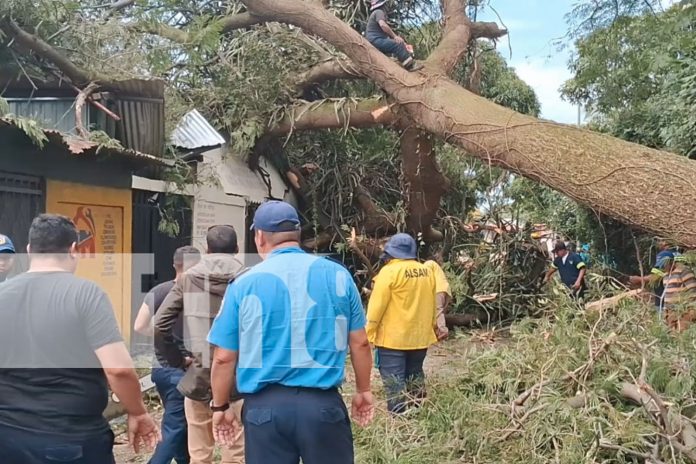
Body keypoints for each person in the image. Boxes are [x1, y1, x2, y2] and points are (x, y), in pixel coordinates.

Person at [207, 200, 374, 464]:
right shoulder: (339, 276)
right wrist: (364, 390)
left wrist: (220, 405)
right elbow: (361, 343)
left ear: (259, 236)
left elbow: (223, 357)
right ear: (297, 235)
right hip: (323, 408)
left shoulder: (243, 284)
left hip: (264, 413)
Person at [0, 214, 159, 463]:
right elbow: (118, 370)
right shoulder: (86, 295)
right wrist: (138, 412)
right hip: (69, 439)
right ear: (74, 249)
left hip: (8, 437)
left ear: (29, 250)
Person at [155, 226, 245, 464]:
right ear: (236, 249)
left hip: (198, 377)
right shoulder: (247, 278)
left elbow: (160, 324)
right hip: (238, 379)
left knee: (199, 456)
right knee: (236, 455)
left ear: (207, 250)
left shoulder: (188, 279)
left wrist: (177, 361)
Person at [135, 246, 201, 464]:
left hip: (161, 369)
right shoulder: (198, 294)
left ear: (175, 264)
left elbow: (139, 326)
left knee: (179, 424)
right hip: (183, 370)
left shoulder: (159, 291)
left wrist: (160, 339)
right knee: (175, 427)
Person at [367, 233, 438, 414]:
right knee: (415, 376)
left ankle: (399, 423)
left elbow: (376, 308)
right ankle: (420, 415)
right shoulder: (426, 271)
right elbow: (432, 303)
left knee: (394, 382)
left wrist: (368, 333)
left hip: (393, 340)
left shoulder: (388, 272)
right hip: (420, 337)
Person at [366, 0, 423, 71]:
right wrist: (395, 37)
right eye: (386, 4)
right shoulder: (379, 12)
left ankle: (402, 60)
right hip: (376, 40)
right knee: (397, 45)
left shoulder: (376, 13)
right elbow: (383, 25)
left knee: (399, 44)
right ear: (383, 5)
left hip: (375, 40)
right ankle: (410, 66)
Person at [629, 239, 675, 309]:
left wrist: (639, 279)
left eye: (660, 240)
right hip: (664, 299)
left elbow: (657, 275)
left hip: (666, 301)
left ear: (666, 242)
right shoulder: (674, 254)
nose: (658, 243)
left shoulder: (667, 255)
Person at [660, 255, 696, 330]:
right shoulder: (665, 276)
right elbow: (666, 295)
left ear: (671, 262)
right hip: (670, 313)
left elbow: (693, 292)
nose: (663, 267)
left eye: (664, 265)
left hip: (683, 311)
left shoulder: (684, 272)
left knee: (682, 333)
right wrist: (665, 311)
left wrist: (690, 311)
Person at [424, 254, 451, 341]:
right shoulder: (437, 268)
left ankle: (443, 331)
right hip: (445, 289)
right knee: (439, 311)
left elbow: (425, 276)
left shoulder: (429, 263)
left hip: (438, 289)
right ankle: (437, 332)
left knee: (438, 311)